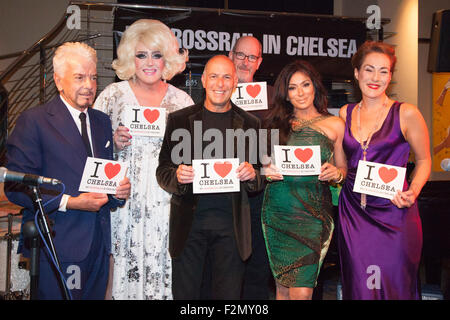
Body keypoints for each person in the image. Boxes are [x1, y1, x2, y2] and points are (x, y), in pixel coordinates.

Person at [5, 42, 131, 300]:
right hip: (56, 245)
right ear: (58, 80)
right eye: (79, 77)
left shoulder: (101, 122)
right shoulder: (34, 121)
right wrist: (70, 202)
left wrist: (118, 191)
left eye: (94, 77)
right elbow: (16, 186)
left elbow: (102, 176)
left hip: (98, 246)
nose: (89, 85)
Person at [94, 19, 193, 300]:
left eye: (157, 54)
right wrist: (111, 143)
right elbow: (88, 154)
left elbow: (191, 158)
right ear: (130, 58)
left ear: (168, 59)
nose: (149, 62)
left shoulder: (183, 102)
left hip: (167, 206)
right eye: (141, 54)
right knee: (117, 273)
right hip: (123, 204)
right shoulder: (112, 96)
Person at [156, 55, 262, 299]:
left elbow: (260, 176)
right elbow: (163, 170)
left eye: (226, 77)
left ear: (235, 82)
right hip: (189, 227)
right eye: (214, 76)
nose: (220, 83)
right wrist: (177, 177)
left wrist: (252, 174)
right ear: (203, 80)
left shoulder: (251, 123)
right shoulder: (179, 120)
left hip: (232, 230)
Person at [337, 41, 431, 300]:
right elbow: (342, 164)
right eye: (369, 70)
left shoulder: (407, 113)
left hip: (395, 213)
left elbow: (424, 161)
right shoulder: (345, 113)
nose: (375, 78)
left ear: (390, 76)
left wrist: (412, 191)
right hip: (353, 213)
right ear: (356, 73)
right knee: (360, 287)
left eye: (383, 71)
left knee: (394, 285)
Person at [261, 60, 347, 300]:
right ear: (285, 95)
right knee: (283, 289)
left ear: (315, 87)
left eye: (305, 84)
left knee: (302, 291)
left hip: (313, 215)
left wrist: (337, 174)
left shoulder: (335, 124)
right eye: (292, 87)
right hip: (278, 211)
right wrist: (265, 171)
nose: (300, 92)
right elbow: (262, 165)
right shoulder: (272, 125)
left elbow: (343, 168)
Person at [228, 36, 273, 299]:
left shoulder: (270, 98)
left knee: (256, 268)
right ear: (230, 54)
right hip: (221, 192)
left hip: (257, 195)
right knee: (223, 267)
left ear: (259, 62)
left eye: (252, 57)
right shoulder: (215, 90)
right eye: (241, 55)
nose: (245, 62)